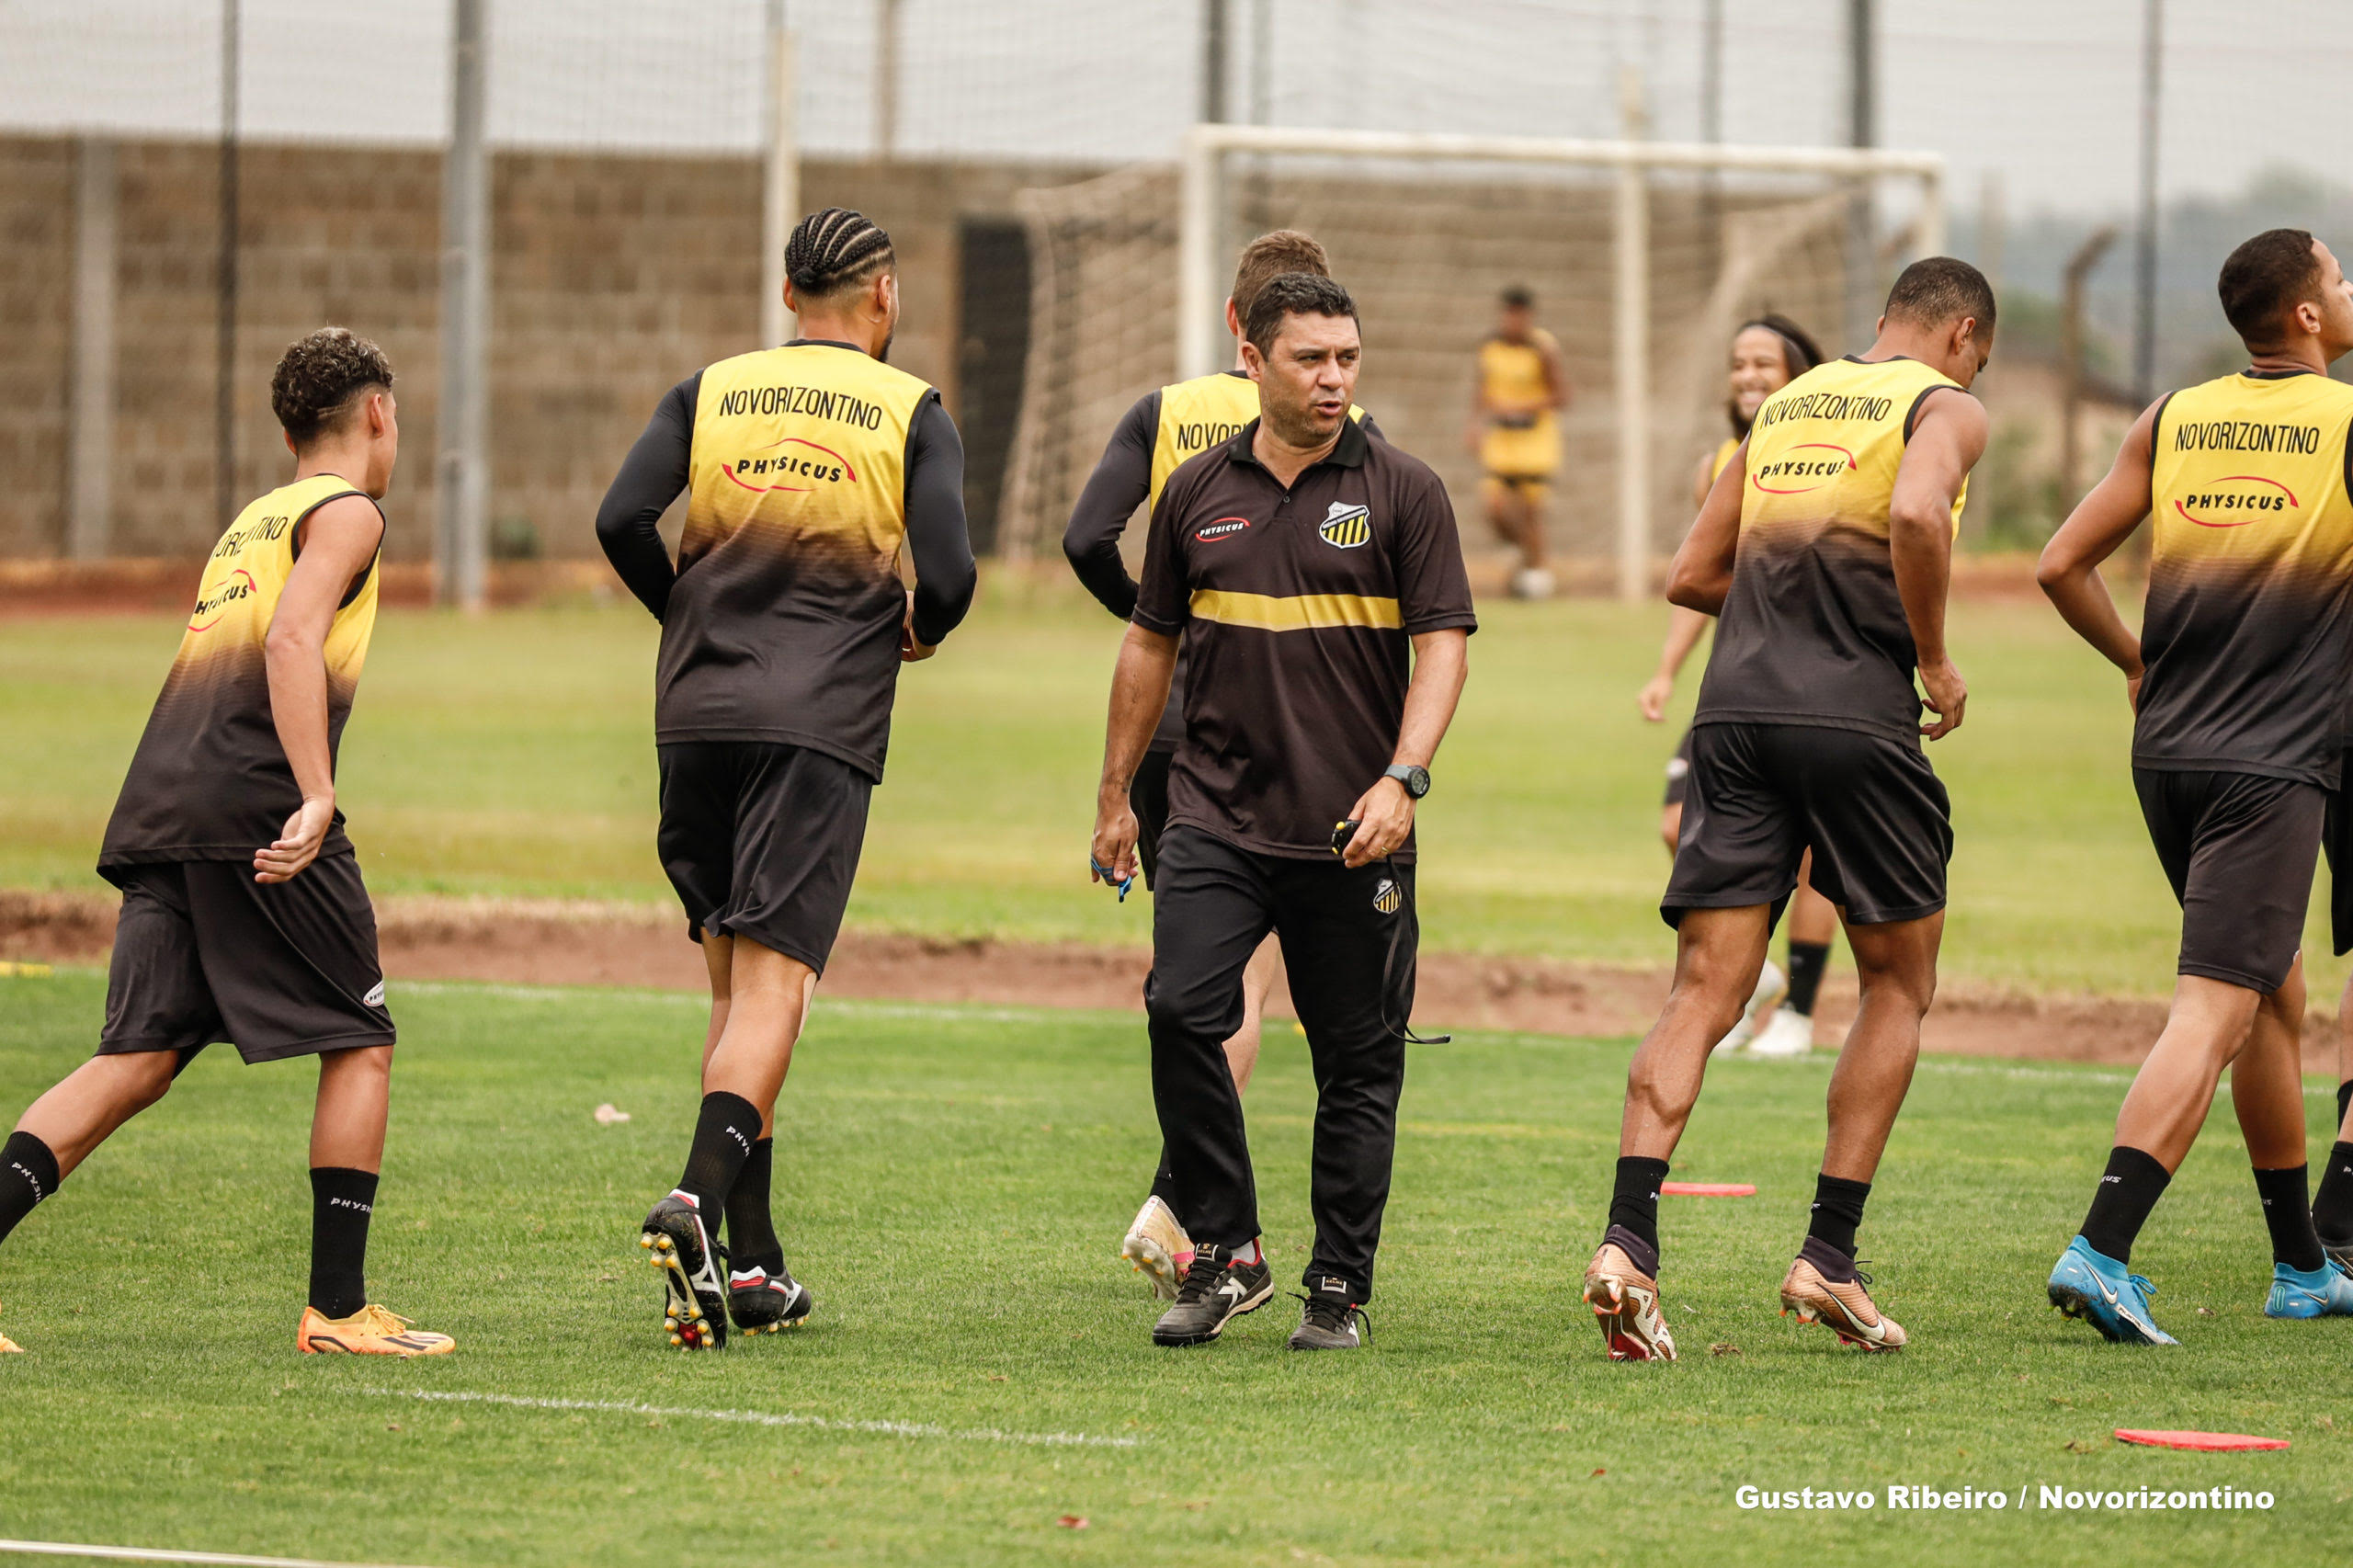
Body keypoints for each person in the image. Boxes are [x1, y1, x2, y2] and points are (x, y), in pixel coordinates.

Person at [0, 328, 451, 1358]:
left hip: (166, 800)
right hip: (257, 805)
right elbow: (293, 636)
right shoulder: (350, 512)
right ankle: (337, 1311)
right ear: (377, 413)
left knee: (137, 1056)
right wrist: (316, 792)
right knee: (360, 1037)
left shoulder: (254, 518)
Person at [1580, 258, 1995, 1362]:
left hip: (1733, 717)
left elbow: (1690, 571)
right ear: (1961, 335)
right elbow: (1917, 510)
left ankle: (1626, 1244)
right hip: (1856, 721)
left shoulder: (1787, 408)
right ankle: (1829, 1253)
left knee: (1704, 988)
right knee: (1899, 981)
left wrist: (1783, 600)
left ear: (1879, 322)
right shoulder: (1944, 406)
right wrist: (1935, 657)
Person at [597, 207, 978, 1350]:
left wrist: (692, 615)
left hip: (696, 714)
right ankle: (695, 1203)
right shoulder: (909, 409)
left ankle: (751, 1265)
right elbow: (950, 573)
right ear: (884, 296)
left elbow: (622, 518)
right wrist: (916, 627)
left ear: (785, 293)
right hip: (816, 720)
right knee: (779, 991)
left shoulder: (709, 389)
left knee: (729, 989)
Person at [1090, 273, 1474, 1352]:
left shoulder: (1405, 489)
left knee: (1355, 1060)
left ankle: (1337, 1286)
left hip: (1354, 825)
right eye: (1311, 357)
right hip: (1213, 812)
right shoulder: (1195, 491)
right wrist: (1116, 794)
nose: (1334, 376)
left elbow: (1442, 644)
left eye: (1347, 356)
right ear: (1252, 360)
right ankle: (1226, 1250)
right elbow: (1147, 644)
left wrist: (1404, 777)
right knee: (1179, 1008)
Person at [2038, 228, 2353, 1343]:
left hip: (2167, 754)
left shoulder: (2171, 416)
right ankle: (2101, 1248)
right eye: (2340, 275)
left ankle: (2299, 1263)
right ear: (2308, 315)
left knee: (2272, 995)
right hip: (2270, 765)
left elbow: (2057, 564)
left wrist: (2134, 659)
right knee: (2215, 1007)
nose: (2350, 288)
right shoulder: (2346, 420)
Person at [1062, 229, 1374, 1301]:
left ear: (1228, 321)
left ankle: (1200, 1200)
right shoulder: (1355, 435)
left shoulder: (1162, 411)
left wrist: (1173, 620)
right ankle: (1182, 1199)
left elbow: (1082, 539)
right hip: (1285, 725)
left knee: (1193, 973)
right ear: (1267, 337)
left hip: (1165, 732)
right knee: (1249, 975)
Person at [1639, 315, 1832, 1059]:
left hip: (1813, 681)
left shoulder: (1829, 455)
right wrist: (1664, 671)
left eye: (1766, 363)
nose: (1749, 376)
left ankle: (1799, 1013)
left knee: (1815, 856)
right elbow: (1698, 577)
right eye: (1739, 363)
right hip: (1737, 679)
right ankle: (1753, 979)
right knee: (1678, 825)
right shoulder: (1716, 461)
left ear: (1801, 377)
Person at [1466, 285, 1569, 599]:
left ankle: (1537, 579)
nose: (1514, 321)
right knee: (1494, 508)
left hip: (1535, 442)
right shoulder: (1490, 348)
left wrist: (1520, 408)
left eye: (1520, 315)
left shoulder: (1543, 348)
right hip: (1502, 442)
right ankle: (1528, 560)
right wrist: (1474, 425)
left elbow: (1562, 395)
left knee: (1530, 513)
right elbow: (1483, 390)